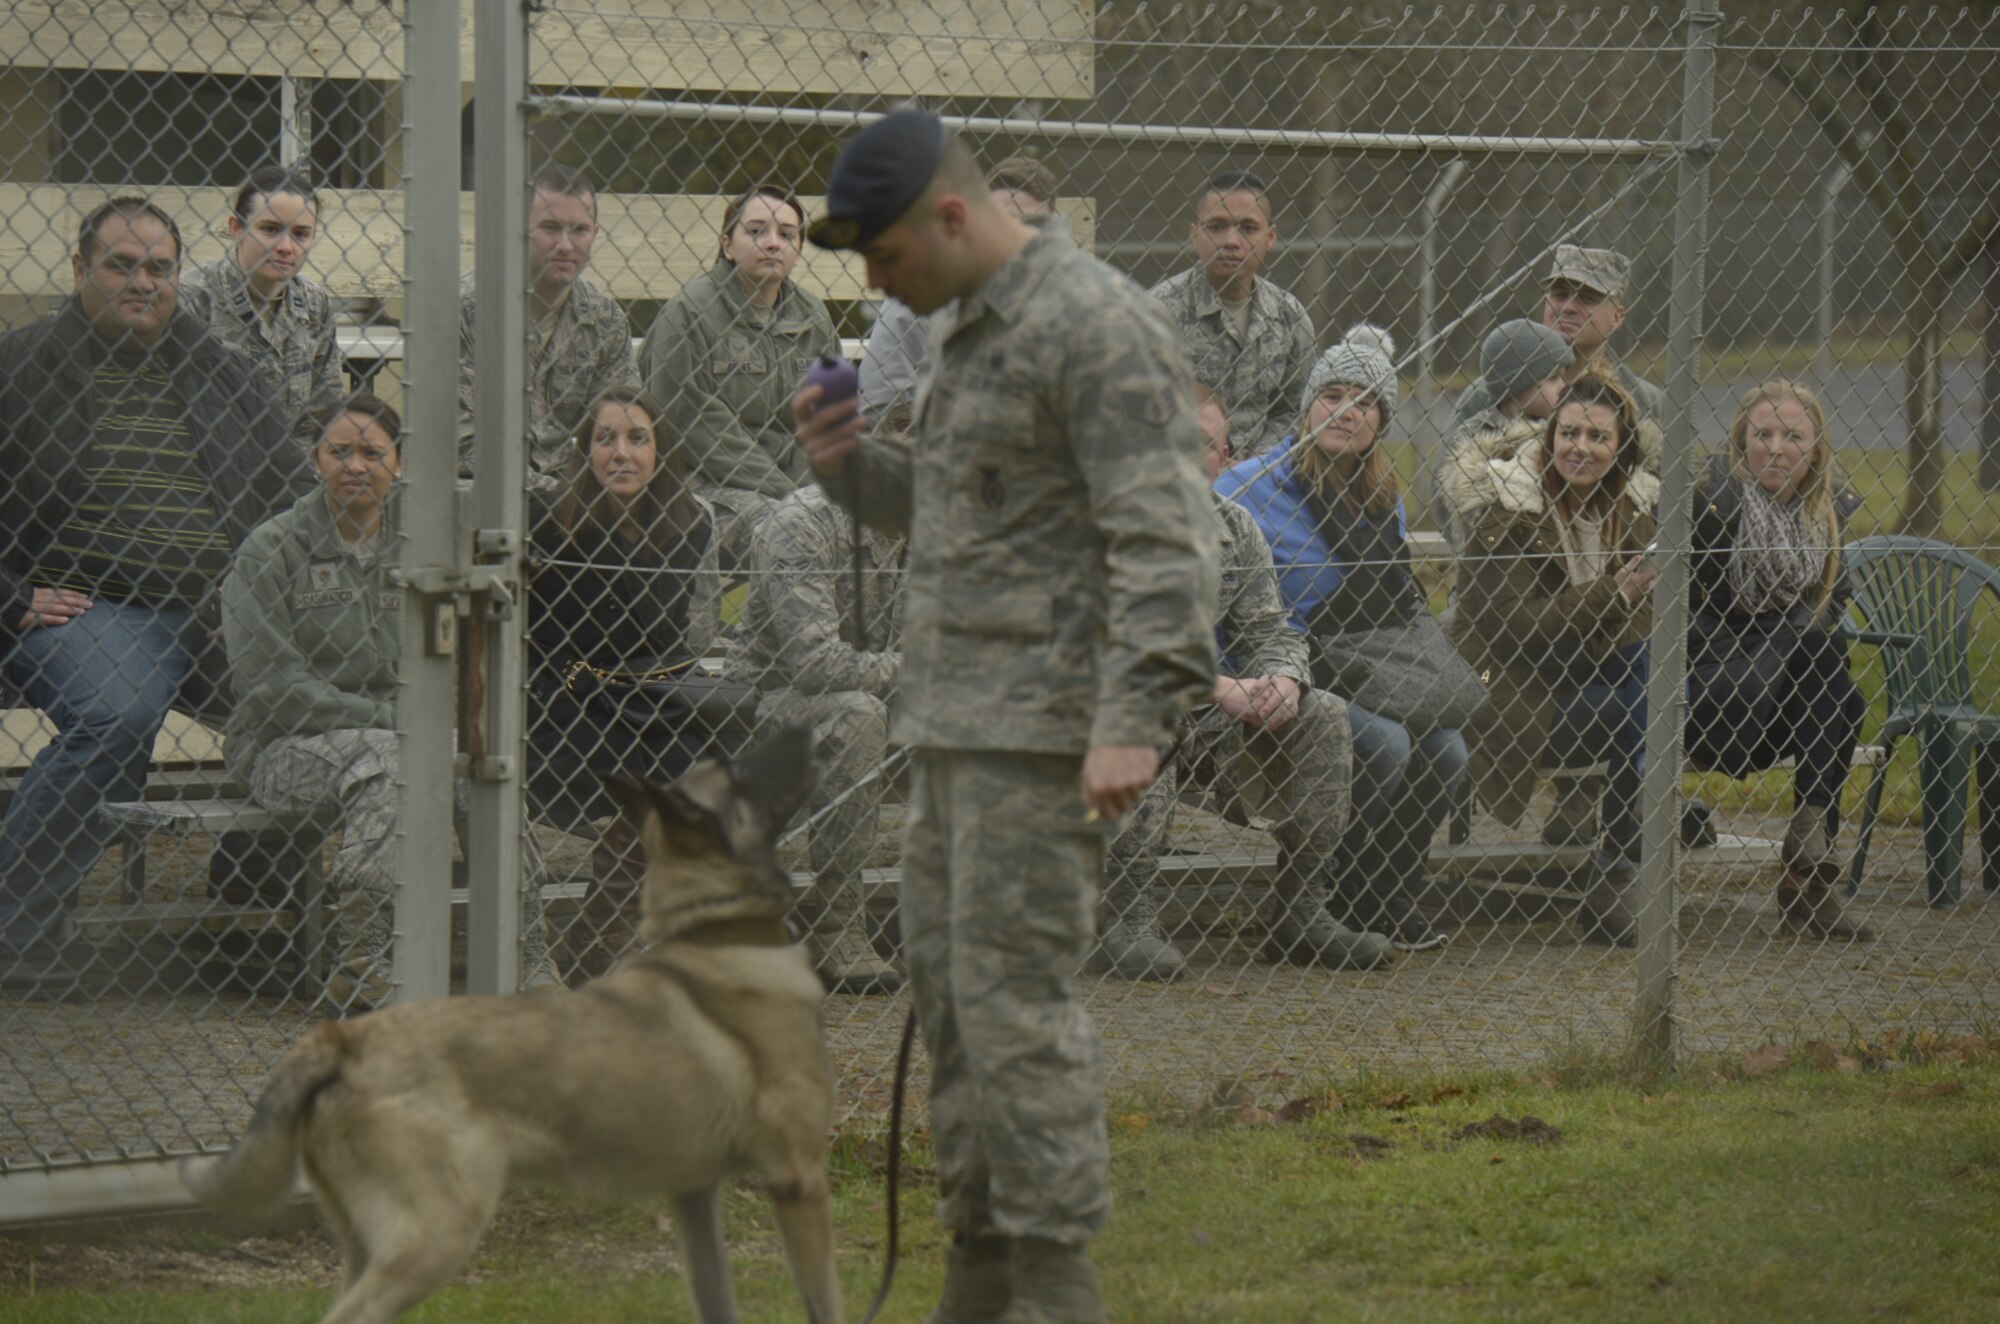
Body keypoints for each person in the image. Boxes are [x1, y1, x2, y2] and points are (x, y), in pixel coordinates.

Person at [796, 109, 1219, 1323]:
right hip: (951, 729)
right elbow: (957, 514)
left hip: (1040, 739)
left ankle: (1055, 1284)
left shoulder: (1092, 324)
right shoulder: (965, 335)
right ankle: (979, 1274)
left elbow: (1169, 540)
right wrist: (844, 466)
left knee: (1016, 1013)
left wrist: (1133, 714)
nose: (876, 285)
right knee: (952, 1008)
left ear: (947, 213)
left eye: (882, 257)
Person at [0, 197, 290, 997]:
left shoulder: (221, 371)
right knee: (120, 716)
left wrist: (268, 600)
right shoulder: (19, 367)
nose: (141, 282)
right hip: (95, 607)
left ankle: (256, 889)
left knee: (330, 700)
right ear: (79, 271)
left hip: (218, 610)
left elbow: (289, 492)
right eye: (121, 265)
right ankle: (12, 931)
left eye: (158, 267)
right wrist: (10, 597)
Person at [222, 396, 559, 1010]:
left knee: (480, 770)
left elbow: (462, 655)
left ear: (399, 464)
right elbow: (271, 689)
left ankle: (525, 951)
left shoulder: (424, 542)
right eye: (339, 452)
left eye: (372, 453)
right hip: (285, 748)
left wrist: (440, 729)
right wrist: (397, 724)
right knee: (388, 762)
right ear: (314, 459)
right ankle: (366, 964)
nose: (356, 465)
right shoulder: (269, 551)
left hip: (409, 733)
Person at [1099, 386, 1391, 981]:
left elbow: (1270, 628)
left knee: (1324, 714)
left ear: (1224, 458)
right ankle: (1127, 917)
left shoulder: (1235, 528)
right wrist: (1218, 686)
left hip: (1200, 713)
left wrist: (1284, 678)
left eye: (1202, 444)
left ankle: (1300, 914)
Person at [1216, 325, 1462, 953]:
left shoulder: (1382, 494)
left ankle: (1383, 889)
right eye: (1332, 395)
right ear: (1308, 405)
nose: (1346, 411)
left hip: (1368, 661)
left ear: (1381, 420)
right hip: (1277, 667)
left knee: (1449, 749)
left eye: (1366, 400)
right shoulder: (1248, 487)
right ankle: (1317, 893)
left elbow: (1395, 598)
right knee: (1386, 743)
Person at [1446, 375, 1658, 946]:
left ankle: (1619, 851)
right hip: (1507, 685)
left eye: (1597, 436)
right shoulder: (1508, 505)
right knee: (1645, 708)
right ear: (1549, 437)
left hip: (1592, 675)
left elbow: (1644, 620)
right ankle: (1624, 857)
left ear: (1622, 450)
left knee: (1649, 675)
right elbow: (1517, 629)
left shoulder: (1634, 507)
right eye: (1568, 432)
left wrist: (1619, 611)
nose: (1579, 447)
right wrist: (1611, 597)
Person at [524, 386, 728, 976]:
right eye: (605, 439)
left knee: (698, 771)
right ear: (583, 452)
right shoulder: (545, 518)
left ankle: (602, 936)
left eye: (638, 439)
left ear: (660, 451)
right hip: (566, 700)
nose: (621, 453)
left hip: (652, 699)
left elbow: (698, 632)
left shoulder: (691, 522)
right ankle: (613, 944)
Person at [1686, 380, 1870, 940]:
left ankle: (1807, 867)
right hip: (1708, 697)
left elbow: (1829, 610)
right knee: (1825, 658)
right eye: (1761, 433)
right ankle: (1806, 878)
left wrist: (1796, 635)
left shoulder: (1825, 517)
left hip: (1788, 702)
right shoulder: (1707, 503)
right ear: (1740, 439)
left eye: (1792, 436)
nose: (1774, 447)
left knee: (1840, 688)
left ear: (1815, 450)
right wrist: (1794, 633)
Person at [727, 483, 904, 994]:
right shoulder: (804, 521)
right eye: (898, 425)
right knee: (859, 716)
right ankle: (838, 926)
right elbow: (814, 667)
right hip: (767, 701)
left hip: (888, 686)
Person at [641, 183, 839, 566]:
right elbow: (692, 424)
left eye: (786, 234)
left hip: (797, 485)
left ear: (798, 250)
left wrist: (811, 492)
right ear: (728, 246)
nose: (772, 243)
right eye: (756, 231)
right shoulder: (689, 314)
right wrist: (791, 496)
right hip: (705, 485)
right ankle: (806, 630)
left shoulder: (813, 316)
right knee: (791, 532)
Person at [457, 164, 639, 484]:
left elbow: (622, 429)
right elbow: (464, 446)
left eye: (580, 230)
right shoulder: (468, 309)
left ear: (595, 233)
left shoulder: (606, 320)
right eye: (551, 227)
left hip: (573, 490)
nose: (566, 245)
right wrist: (564, 498)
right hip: (483, 491)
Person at [857, 155, 1059, 424]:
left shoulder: (1067, 297)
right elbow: (883, 407)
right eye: (1004, 222)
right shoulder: (921, 293)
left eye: (1032, 226)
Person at [1147, 169, 1316, 460]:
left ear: (1270, 237)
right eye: (1216, 227)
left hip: (1263, 483)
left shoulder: (1290, 318)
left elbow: (1296, 409)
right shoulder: (1157, 312)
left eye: (1248, 228)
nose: (1231, 241)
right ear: (1195, 234)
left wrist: (1255, 465)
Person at [179, 164, 347, 456]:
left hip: (292, 475)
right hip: (209, 469)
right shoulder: (193, 299)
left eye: (300, 234)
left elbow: (324, 412)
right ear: (237, 228)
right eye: (269, 229)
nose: (285, 246)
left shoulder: (314, 304)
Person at [1455, 244, 1664, 428]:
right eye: (1560, 295)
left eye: (1587, 298)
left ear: (1617, 317)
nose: (1569, 307)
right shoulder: (1490, 392)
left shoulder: (1646, 401)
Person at [1431, 318, 1570, 551]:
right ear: (1519, 383)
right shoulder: (1478, 438)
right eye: (1553, 378)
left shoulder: (1563, 430)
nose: (1564, 387)